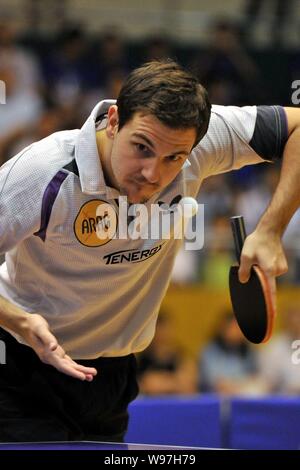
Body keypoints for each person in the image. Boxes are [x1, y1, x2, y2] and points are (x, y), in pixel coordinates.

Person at [0, 59, 298, 442]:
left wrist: (272, 229)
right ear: (113, 120)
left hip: (112, 376)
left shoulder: (198, 141)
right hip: (20, 368)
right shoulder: (41, 174)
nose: (152, 174)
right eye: (141, 147)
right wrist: (17, 320)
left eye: (174, 158)